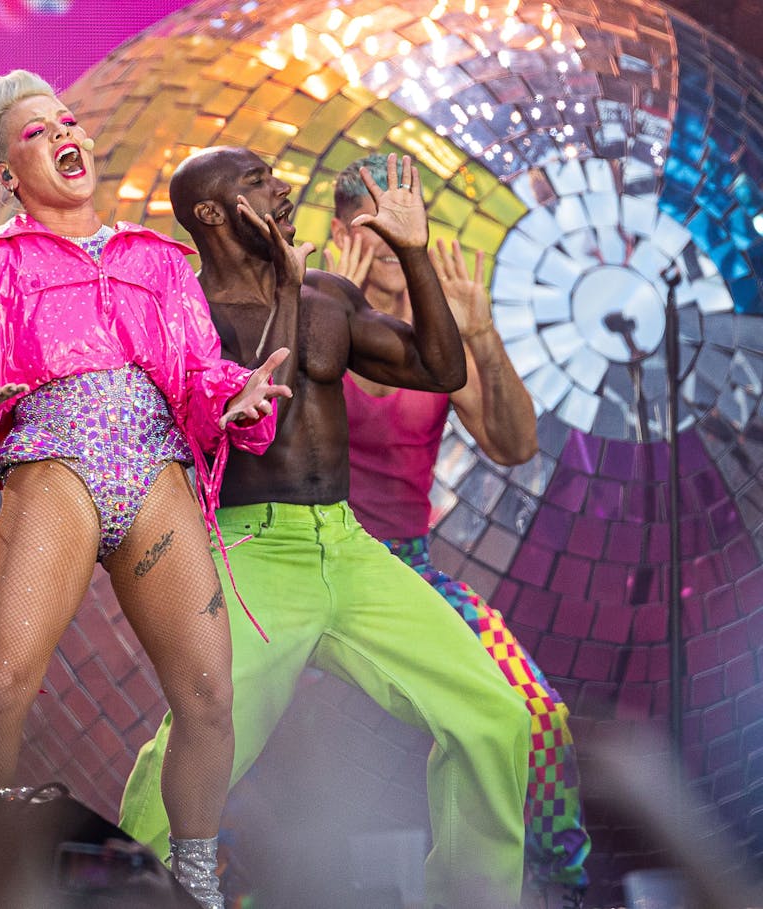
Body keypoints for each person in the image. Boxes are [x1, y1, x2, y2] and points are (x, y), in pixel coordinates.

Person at [117, 147, 531, 907]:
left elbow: (440, 370)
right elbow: (258, 422)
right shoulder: (187, 310)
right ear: (211, 213)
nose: (281, 187)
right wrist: (287, 285)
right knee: (196, 739)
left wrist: (412, 254)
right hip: (251, 554)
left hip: (346, 546)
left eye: (277, 174)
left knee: (494, 716)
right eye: (255, 182)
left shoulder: (332, 296)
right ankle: (117, 893)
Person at [0, 71, 291, 909]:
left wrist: (234, 393)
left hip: (154, 467)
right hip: (57, 461)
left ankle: (197, 886)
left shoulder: (158, 260)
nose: (62, 135)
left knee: (208, 696)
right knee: (4, 685)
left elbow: (195, 370)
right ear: (8, 175)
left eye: (68, 122)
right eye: (35, 133)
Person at [329, 153, 590, 893]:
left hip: (405, 568)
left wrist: (480, 337)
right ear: (344, 230)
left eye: (402, 221)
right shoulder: (312, 307)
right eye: (373, 224)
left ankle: (553, 883)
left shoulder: (439, 331)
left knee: (534, 715)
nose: (387, 241)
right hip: (302, 555)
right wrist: (324, 310)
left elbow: (515, 446)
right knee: (217, 709)